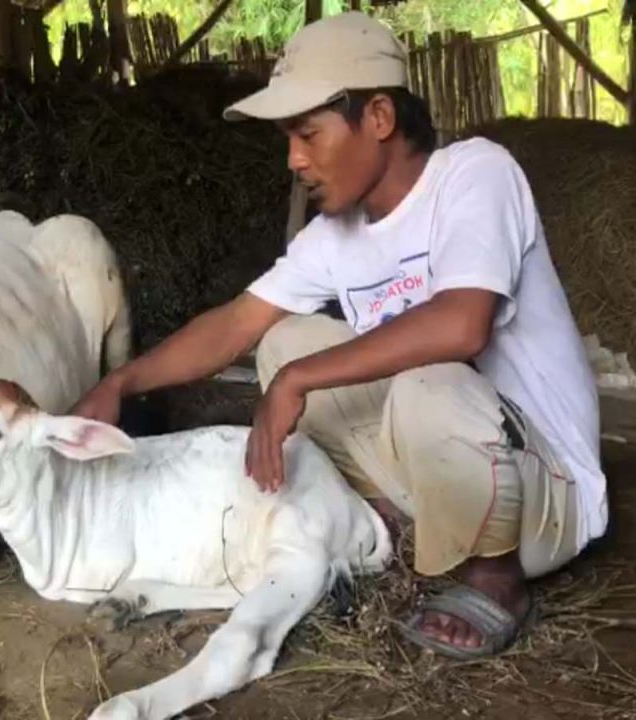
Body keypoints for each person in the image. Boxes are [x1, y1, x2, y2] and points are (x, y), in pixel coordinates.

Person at [69, 11, 608, 659]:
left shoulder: (474, 175)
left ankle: (493, 580)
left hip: (542, 501)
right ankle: (398, 519)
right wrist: (121, 381)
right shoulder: (333, 236)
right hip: (443, 471)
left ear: (378, 119)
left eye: (308, 134)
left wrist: (298, 383)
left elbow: (462, 325)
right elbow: (237, 324)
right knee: (284, 341)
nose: (294, 160)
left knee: (421, 382)